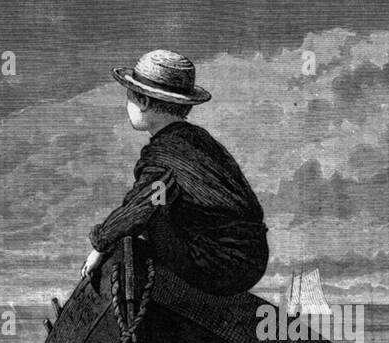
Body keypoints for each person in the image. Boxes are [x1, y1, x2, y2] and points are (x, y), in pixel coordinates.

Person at [82, 49, 269, 296]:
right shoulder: (198, 140)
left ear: (144, 102)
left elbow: (141, 206)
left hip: (221, 265)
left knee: (149, 214)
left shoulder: (164, 155)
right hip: (251, 259)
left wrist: (100, 246)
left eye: (129, 97)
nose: (127, 104)